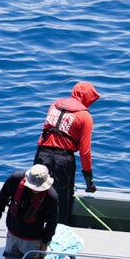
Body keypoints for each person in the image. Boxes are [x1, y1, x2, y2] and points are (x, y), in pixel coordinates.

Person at [34, 81, 100, 224]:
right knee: (61, 201)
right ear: (87, 97)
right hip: (62, 161)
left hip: (41, 154)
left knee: (37, 193)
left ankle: (34, 230)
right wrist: (89, 181)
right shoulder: (85, 117)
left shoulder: (55, 105)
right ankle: (56, 235)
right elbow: (85, 151)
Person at [0, 164, 60, 259]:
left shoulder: (51, 197)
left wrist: (45, 242)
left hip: (33, 239)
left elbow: (52, 222)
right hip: (12, 233)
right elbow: (2, 197)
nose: (35, 190)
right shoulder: (15, 179)